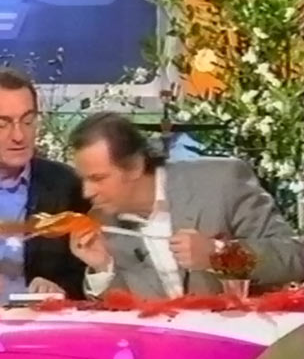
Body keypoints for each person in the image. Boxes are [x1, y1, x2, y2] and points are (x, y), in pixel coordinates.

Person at [67, 112, 303, 298]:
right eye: (84, 180)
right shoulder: (104, 225)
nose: (87, 192)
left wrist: (219, 254)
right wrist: (103, 267)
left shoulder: (221, 182)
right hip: (165, 344)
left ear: (135, 167)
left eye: (98, 179)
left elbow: (295, 256)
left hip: (248, 339)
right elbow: (123, 315)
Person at [0, 67, 89, 302]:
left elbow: (88, 269)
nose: (19, 136)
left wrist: (62, 289)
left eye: (28, 121)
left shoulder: (67, 185)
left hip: (42, 320)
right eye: (3, 124)